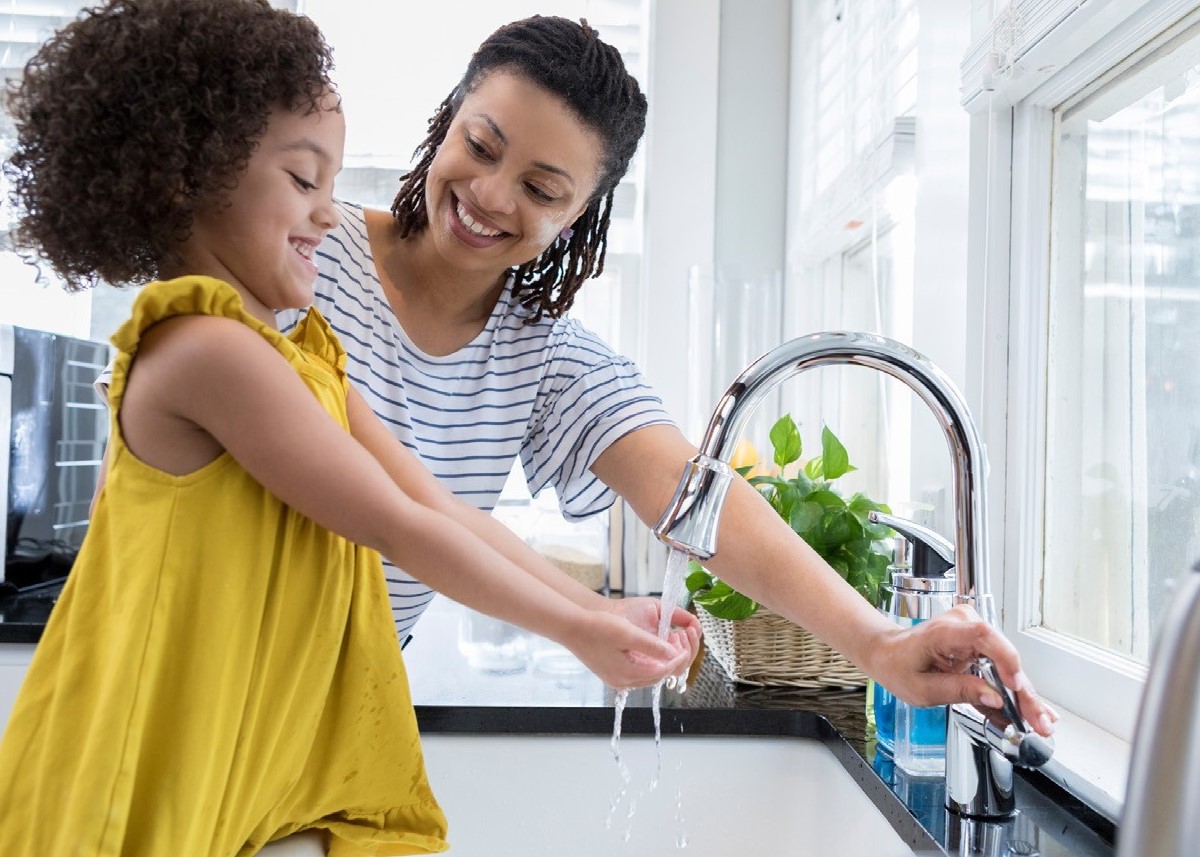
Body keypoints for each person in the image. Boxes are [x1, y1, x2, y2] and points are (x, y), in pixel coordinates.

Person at [0, 2, 695, 855]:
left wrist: (597, 614)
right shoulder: (209, 350)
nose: (330, 216)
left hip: (231, 746)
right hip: (135, 756)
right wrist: (580, 630)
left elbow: (441, 505)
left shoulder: (300, 356)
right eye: (303, 182)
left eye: (330, 187)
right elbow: (396, 525)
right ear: (192, 175)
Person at [280, 14, 1059, 735]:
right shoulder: (299, 258)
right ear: (447, 120)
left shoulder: (543, 355)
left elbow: (691, 489)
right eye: (481, 146)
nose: (488, 195)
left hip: (330, 713)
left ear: (580, 215)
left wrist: (881, 642)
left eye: (541, 189)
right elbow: (407, 510)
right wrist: (580, 618)